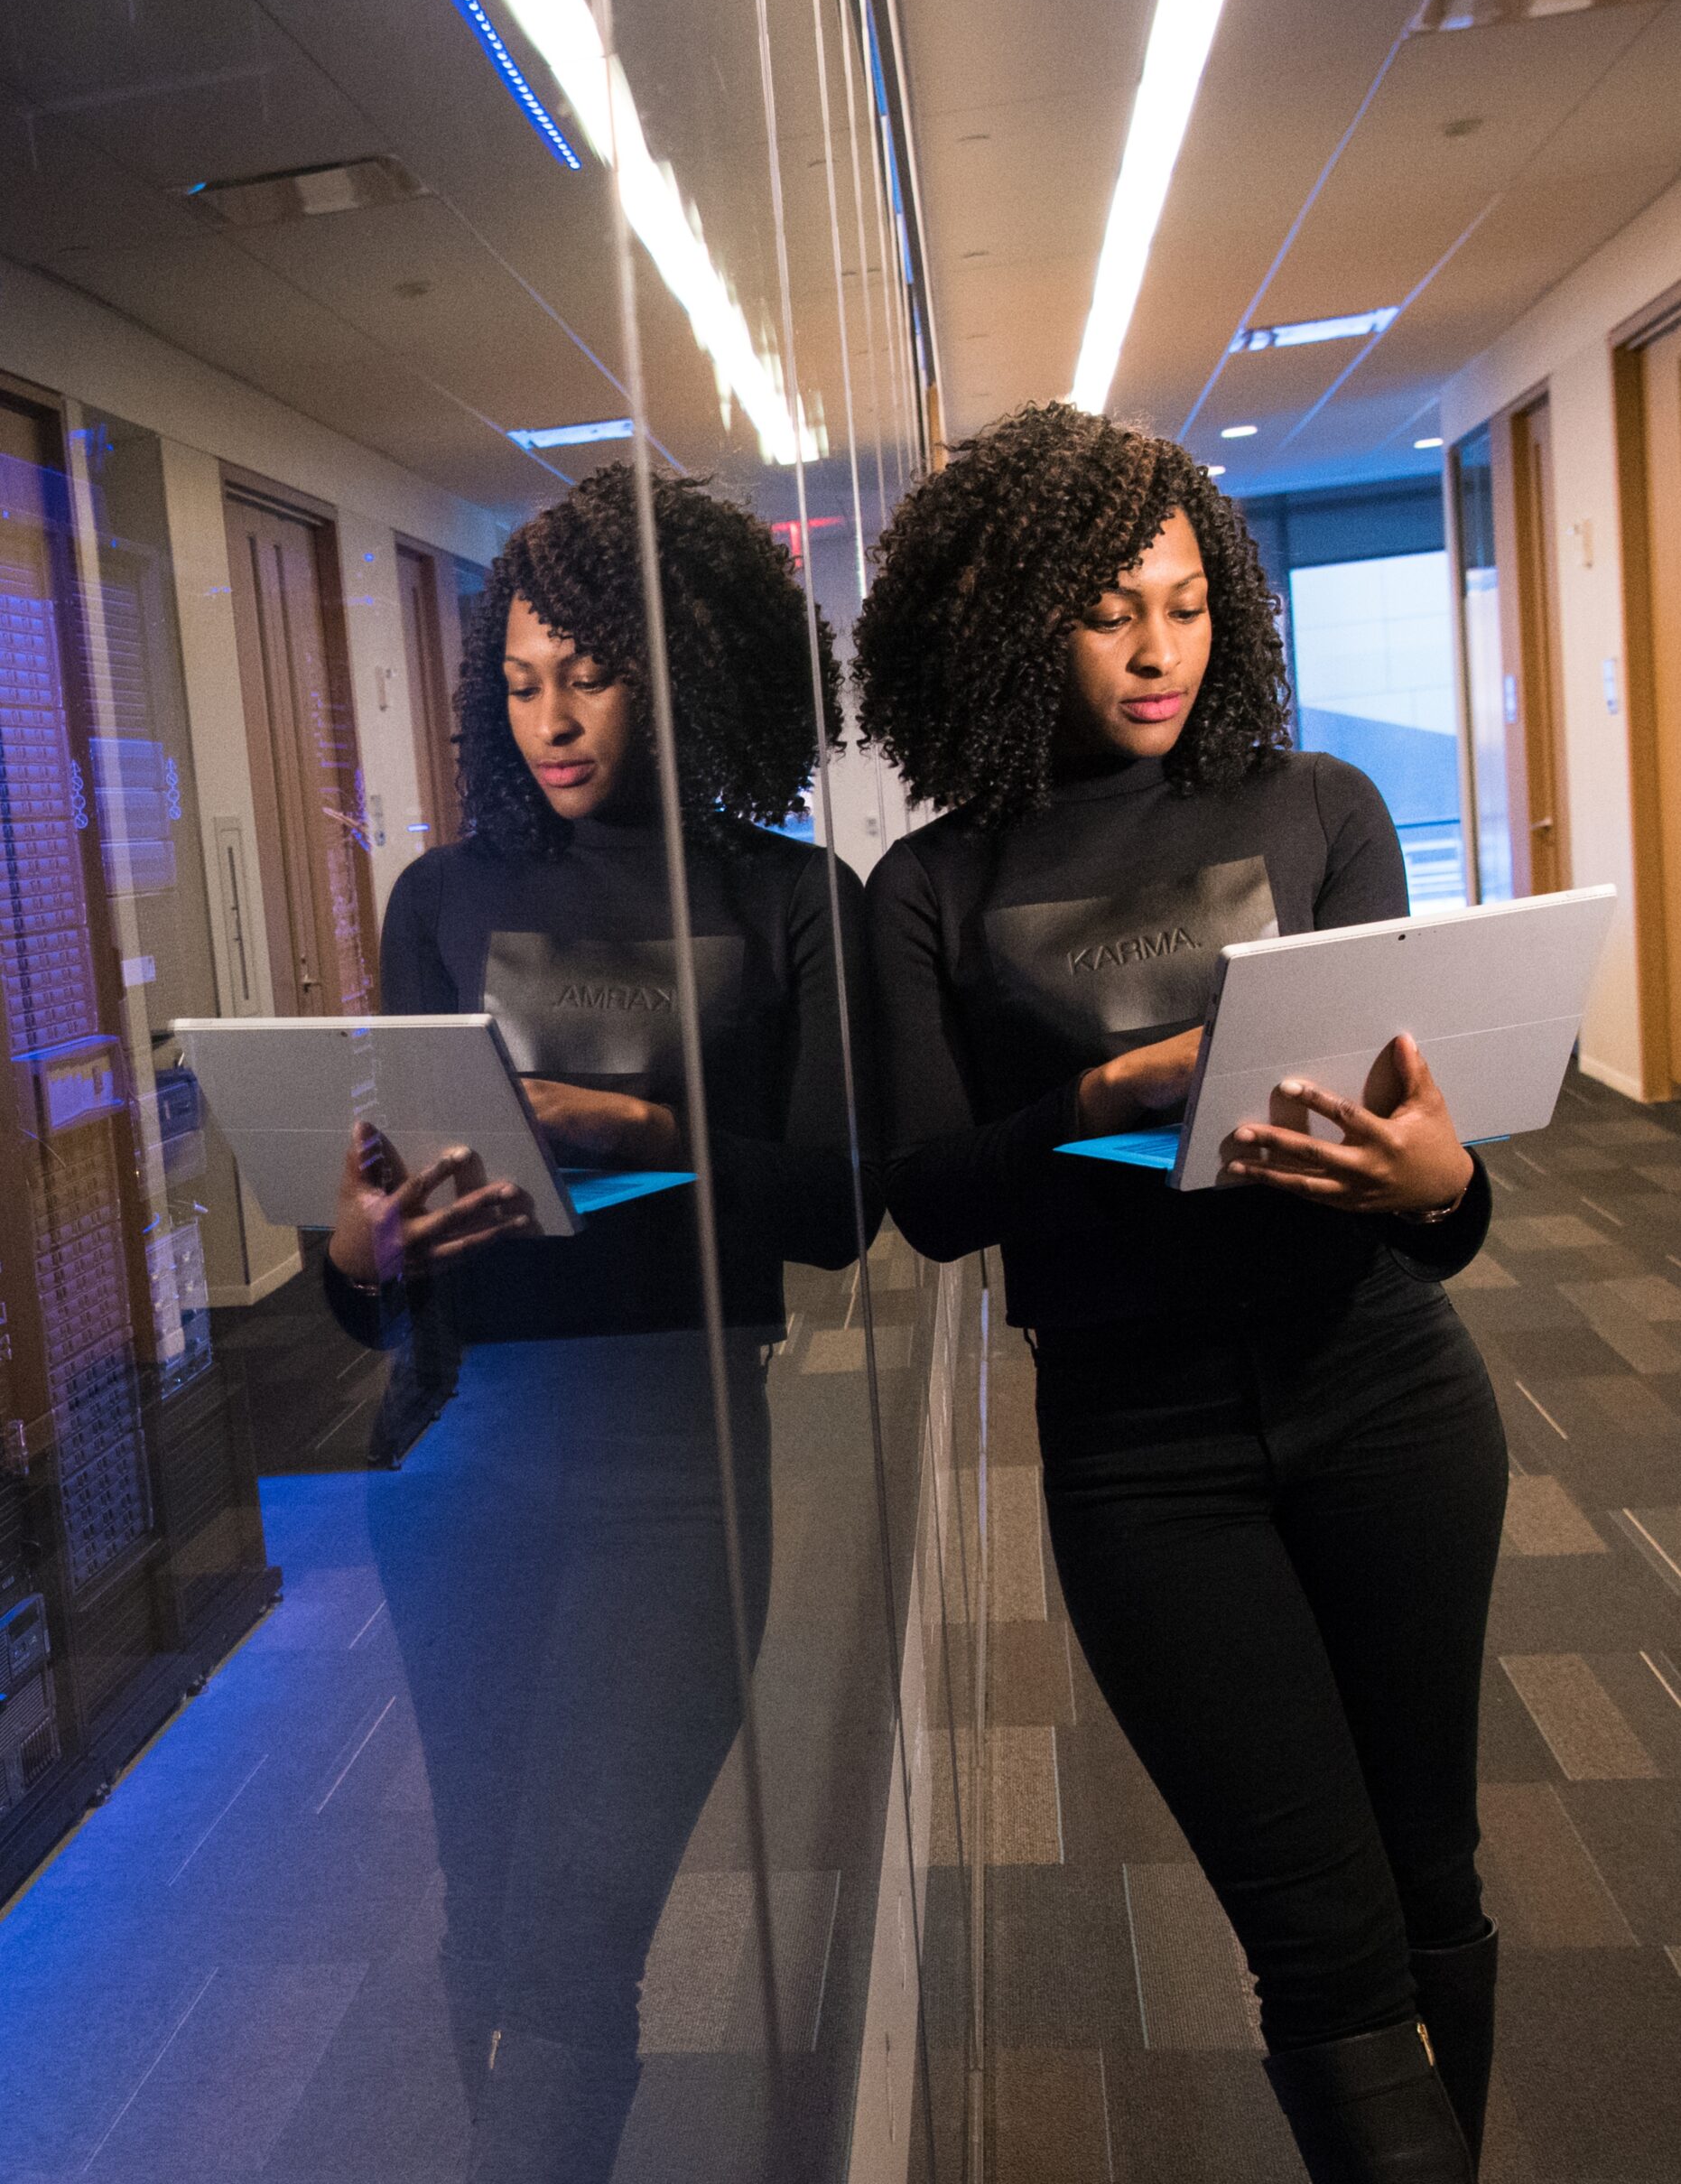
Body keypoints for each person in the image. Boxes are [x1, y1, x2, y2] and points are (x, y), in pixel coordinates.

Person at [856, 404, 1504, 2184]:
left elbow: (1428, 1198)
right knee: (1316, 1932)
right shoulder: (929, 883)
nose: (1159, 650)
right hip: (1142, 1452)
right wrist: (1095, 1101)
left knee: (1426, 1858)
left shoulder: (1319, 804)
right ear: (1000, 621)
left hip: (1387, 1390)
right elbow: (920, 1197)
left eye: (1188, 600)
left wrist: (1441, 1183)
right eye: (1107, 609)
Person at [321, 466, 878, 2181]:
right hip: (467, 1453)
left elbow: (842, 1211)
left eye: (591, 674)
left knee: (579, 1931)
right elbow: (379, 1277)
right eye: (520, 684)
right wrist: (366, 1243)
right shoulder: (441, 899)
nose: (552, 721)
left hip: (680, 1453)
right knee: (486, 1907)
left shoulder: (791, 903)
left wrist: (652, 1137)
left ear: (684, 666)